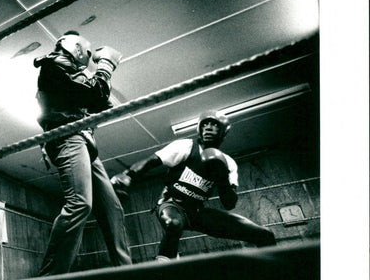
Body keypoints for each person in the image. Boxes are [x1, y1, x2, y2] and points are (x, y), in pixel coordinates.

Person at [110, 110, 276, 262]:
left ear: (223, 132)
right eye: (205, 124)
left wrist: (222, 177)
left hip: (197, 211)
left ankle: (271, 272)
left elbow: (229, 204)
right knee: (173, 224)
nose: (208, 128)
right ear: (199, 129)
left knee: (263, 234)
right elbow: (152, 160)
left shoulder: (228, 163)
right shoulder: (186, 146)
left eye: (214, 125)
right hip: (172, 204)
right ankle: (164, 267)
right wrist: (128, 175)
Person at [34, 31, 132, 276]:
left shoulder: (69, 72)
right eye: (86, 52)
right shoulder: (55, 64)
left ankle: (127, 273)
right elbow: (97, 94)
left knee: (112, 209)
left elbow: (99, 100)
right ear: (75, 48)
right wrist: (106, 65)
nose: (88, 57)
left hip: (85, 143)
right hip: (68, 137)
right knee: (79, 204)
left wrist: (98, 88)